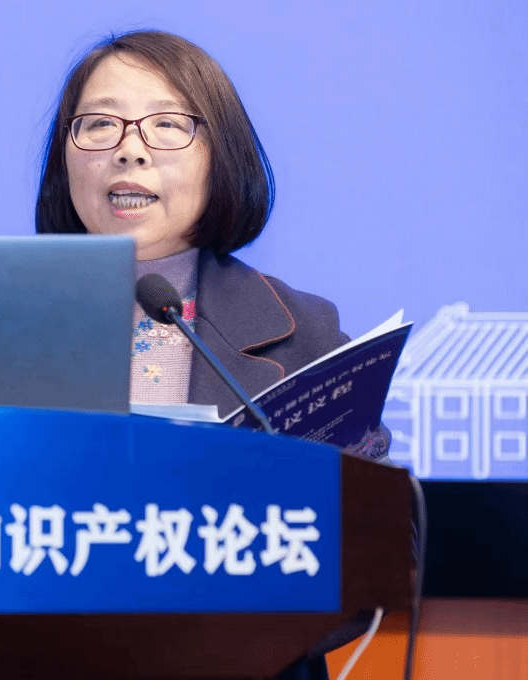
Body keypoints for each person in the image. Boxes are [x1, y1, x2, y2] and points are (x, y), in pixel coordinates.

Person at [36, 30, 389, 680]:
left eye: (167, 125)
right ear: (65, 159)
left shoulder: (304, 332)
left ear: (219, 158)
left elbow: (375, 549)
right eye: (100, 125)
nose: (129, 150)